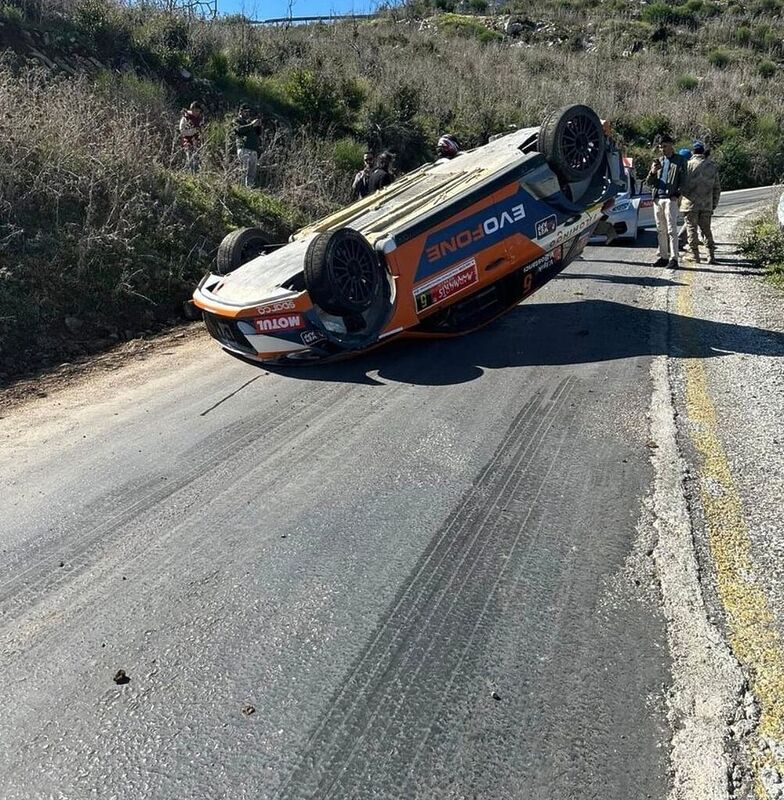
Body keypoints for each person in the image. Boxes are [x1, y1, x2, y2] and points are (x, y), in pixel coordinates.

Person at [645, 133, 687, 268]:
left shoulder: (680, 160)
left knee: (671, 229)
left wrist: (678, 193)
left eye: (664, 146)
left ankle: (674, 258)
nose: (662, 149)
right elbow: (649, 182)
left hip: (670, 198)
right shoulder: (659, 162)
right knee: (660, 230)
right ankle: (663, 257)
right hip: (658, 199)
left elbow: (684, 180)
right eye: (660, 147)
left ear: (671, 145)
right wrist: (652, 172)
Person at [680, 140, 721, 264]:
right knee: (706, 230)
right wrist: (713, 204)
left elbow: (682, 186)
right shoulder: (712, 166)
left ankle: (695, 255)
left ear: (693, 152)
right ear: (703, 152)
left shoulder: (687, 165)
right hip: (706, 204)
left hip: (690, 204)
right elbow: (717, 188)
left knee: (691, 229)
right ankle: (711, 256)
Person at [234, 103, 262, 188]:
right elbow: (239, 130)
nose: (247, 113)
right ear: (240, 112)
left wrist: (259, 125)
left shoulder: (250, 122)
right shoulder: (237, 121)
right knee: (244, 171)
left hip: (253, 150)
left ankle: (249, 189)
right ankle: (241, 188)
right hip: (244, 148)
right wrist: (252, 125)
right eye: (245, 111)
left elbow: (258, 134)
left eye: (248, 112)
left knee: (252, 173)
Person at [179, 102, 203, 174]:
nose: (197, 113)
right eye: (195, 111)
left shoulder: (199, 118)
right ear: (191, 109)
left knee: (197, 160)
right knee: (190, 160)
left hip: (197, 142)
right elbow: (182, 131)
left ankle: (194, 176)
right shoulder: (185, 118)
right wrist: (193, 131)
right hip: (187, 142)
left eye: (198, 111)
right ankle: (190, 176)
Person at [677, 147, 693, 250]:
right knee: (689, 220)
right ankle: (680, 240)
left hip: (679, 197)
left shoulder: (676, 166)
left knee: (688, 221)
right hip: (684, 198)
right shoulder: (686, 169)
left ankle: (685, 239)